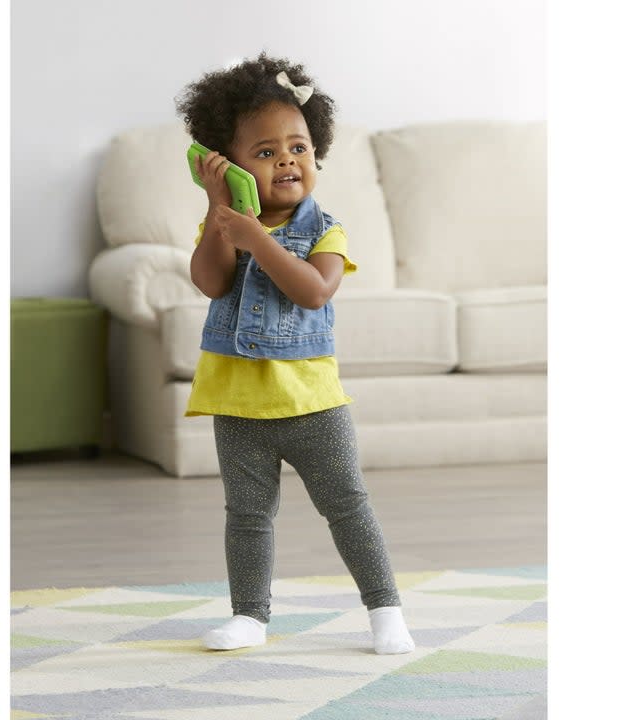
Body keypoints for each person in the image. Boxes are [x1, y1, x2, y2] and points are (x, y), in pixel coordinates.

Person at [175, 53, 415, 655]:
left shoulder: (326, 229)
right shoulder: (225, 223)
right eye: (264, 152)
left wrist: (257, 237)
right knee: (248, 516)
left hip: (313, 407)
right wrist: (219, 207)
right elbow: (210, 281)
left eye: (299, 147)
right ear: (231, 165)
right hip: (239, 406)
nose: (287, 159)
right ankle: (249, 616)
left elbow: (313, 290)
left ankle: (386, 612)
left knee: (347, 508)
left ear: (317, 152)